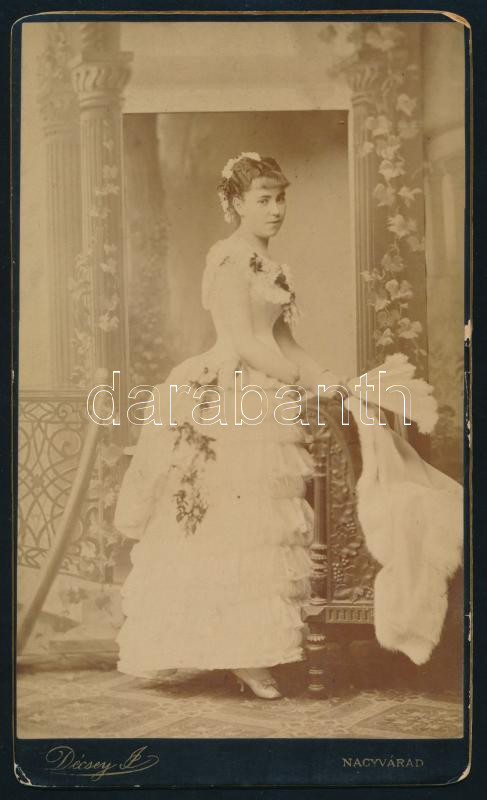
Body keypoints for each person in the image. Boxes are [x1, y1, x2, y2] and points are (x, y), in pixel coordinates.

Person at [114, 152, 347, 699]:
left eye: (280, 197)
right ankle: (229, 651)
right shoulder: (227, 259)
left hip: (268, 391)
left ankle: (249, 646)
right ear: (236, 203)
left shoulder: (277, 268)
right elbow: (242, 342)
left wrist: (326, 376)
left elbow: (284, 340)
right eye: (263, 199)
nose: (275, 209)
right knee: (223, 522)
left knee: (261, 524)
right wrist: (298, 380)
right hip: (229, 392)